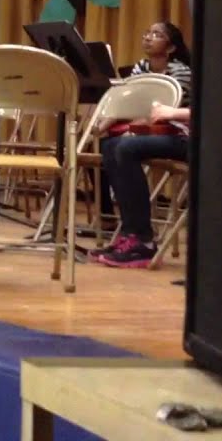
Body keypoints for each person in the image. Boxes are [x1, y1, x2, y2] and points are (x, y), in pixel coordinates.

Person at [92, 20, 193, 268]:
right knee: (109, 145)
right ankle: (130, 233)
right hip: (153, 132)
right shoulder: (142, 67)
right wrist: (103, 125)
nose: (148, 37)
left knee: (126, 147)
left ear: (170, 48)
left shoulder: (181, 72)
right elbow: (130, 100)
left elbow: (166, 111)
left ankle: (143, 241)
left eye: (157, 34)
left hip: (182, 136)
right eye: (147, 32)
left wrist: (133, 129)